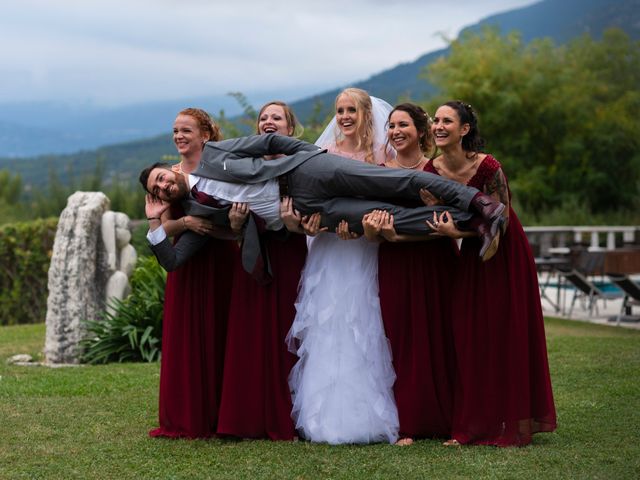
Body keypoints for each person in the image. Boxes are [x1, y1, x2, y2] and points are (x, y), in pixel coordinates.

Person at [140, 129, 507, 272]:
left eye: (161, 178)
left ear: (169, 169)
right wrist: (156, 222)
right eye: (157, 191)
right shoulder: (196, 215)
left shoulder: (214, 153)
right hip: (307, 212)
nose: (164, 188)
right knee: (388, 217)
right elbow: (173, 262)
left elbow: (267, 143)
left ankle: (481, 204)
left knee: (395, 181)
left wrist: (309, 153)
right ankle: (471, 223)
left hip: (304, 172)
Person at [425, 101, 557, 446]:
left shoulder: (488, 166)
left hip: (504, 252)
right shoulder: (430, 169)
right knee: (468, 335)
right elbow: (431, 213)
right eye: (435, 120)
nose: (438, 126)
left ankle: (509, 422)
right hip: (469, 256)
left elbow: (501, 218)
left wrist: (460, 234)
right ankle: (469, 424)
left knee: (503, 333)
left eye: (447, 121)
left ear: (464, 129)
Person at [286, 88, 398, 444]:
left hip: (367, 249)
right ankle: (323, 417)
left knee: (363, 322)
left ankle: (367, 416)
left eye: (351, 110)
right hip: (331, 250)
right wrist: (312, 223)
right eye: (339, 110)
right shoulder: (324, 155)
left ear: (366, 113)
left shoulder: (383, 156)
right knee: (329, 321)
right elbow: (312, 207)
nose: (345, 116)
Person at [362, 103, 458, 445]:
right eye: (391, 126)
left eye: (403, 125)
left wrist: (398, 233)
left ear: (421, 131)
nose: (395, 131)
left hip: (435, 260)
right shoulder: (378, 172)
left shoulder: (438, 171)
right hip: (395, 262)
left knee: (440, 335)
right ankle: (409, 423)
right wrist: (378, 231)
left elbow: (446, 222)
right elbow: (369, 231)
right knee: (399, 337)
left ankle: (448, 418)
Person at [216, 101, 308, 440]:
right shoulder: (242, 168)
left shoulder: (303, 165)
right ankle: (245, 417)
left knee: (288, 330)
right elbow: (231, 215)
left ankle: (291, 415)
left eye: (277, 117)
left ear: (290, 128)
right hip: (254, 256)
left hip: (291, 254)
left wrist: (293, 223)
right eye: (264, 118)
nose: (269, 121)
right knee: (251, 332)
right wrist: (237, 223)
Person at [148, 108, 236, 439]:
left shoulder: (222, 170)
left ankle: (225, 414)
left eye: (186, 130)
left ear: (205, 135)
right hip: (187, 265)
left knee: (222, 331)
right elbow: (163, 222)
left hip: (223, 259)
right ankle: (189, 415)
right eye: (175, 131)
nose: (179, 136)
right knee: (188, 338)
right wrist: (186, 222)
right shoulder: (167, 176)